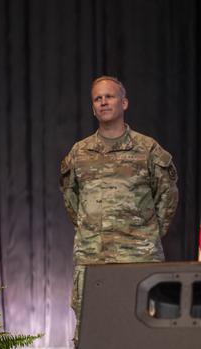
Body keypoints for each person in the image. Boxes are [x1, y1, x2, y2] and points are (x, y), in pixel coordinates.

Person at [59, 76, 179, 345]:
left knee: (144, 334)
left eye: (109, 96)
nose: (103, 102)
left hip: (139, 258)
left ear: (124, 103)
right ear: (93, 108)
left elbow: (167, 197)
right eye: (97, 98)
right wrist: (92, 230)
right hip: (92, 258)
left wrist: (147, 234)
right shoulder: (79, 153)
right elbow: (71, 199)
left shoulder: (147, 149)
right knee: (93, 334)